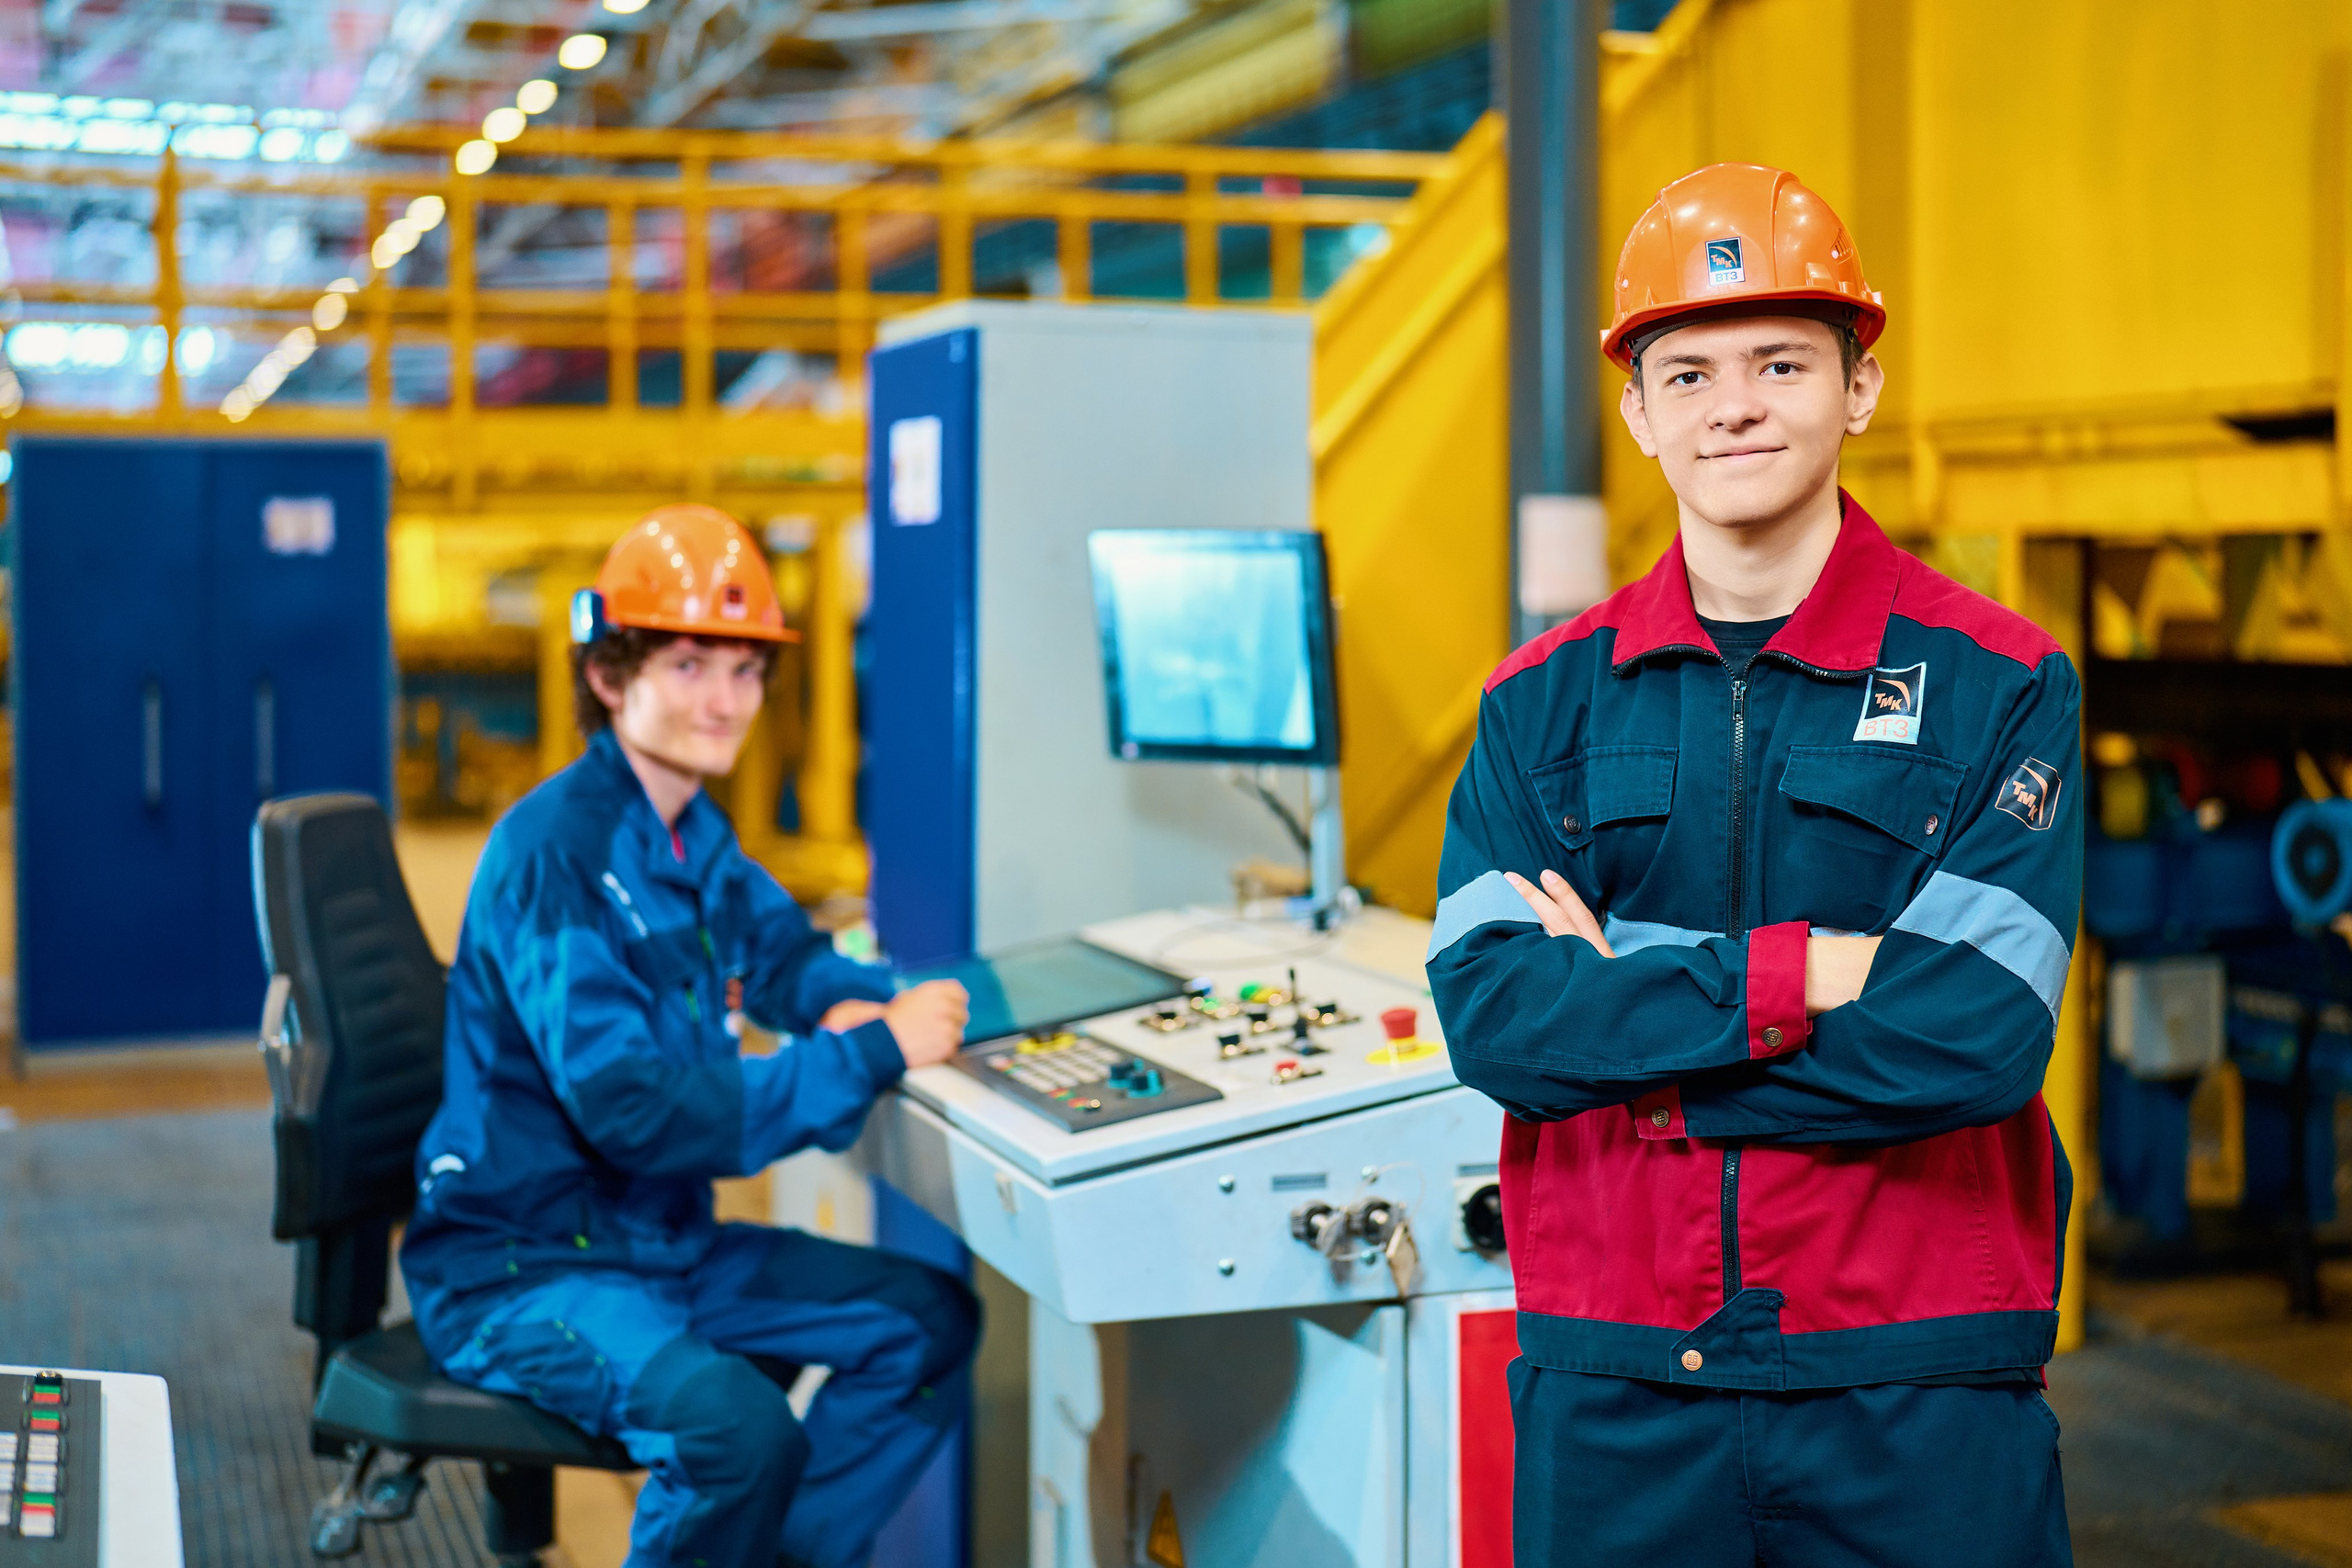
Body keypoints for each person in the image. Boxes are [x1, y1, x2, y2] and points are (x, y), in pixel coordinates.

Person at [1427, 164, 2080, 1566]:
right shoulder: (1539, 702)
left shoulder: (2002, 684)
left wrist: (1628, 998)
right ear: (1639, 412)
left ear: (1857, 389)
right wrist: (1816, 972)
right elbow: (1499, 1020)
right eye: (1690, 370)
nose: (1735, 404)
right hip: (1618, 1378)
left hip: (1917, 1375)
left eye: (1783, 361)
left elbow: (1978, 1035)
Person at [401, 503, 978, 1568]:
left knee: (927, 1326)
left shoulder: (685, 830)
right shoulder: (557, 852)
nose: (725, 700)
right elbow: (636, 1109)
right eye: (689, 664)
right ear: (613, 678)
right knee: (734, 1437)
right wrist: (866, 1051)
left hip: (653, 1241)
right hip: (524, 1265)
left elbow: (783, 953)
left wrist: (871, 998)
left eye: (746, 671)